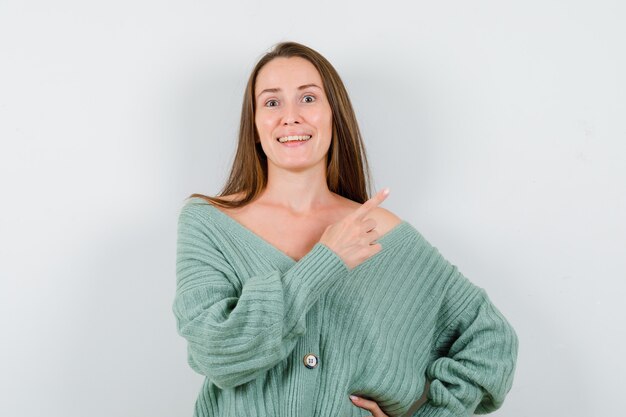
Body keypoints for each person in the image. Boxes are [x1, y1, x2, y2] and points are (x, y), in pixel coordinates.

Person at [173, 41, 518, 417]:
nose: (290, 116)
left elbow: (490, 341)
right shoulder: (210, 222)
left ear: (334, 115)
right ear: (255, 126)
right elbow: (216, 353)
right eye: (272, 102)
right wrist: (326, 261)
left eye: (308, 99)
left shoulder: (381, 233)